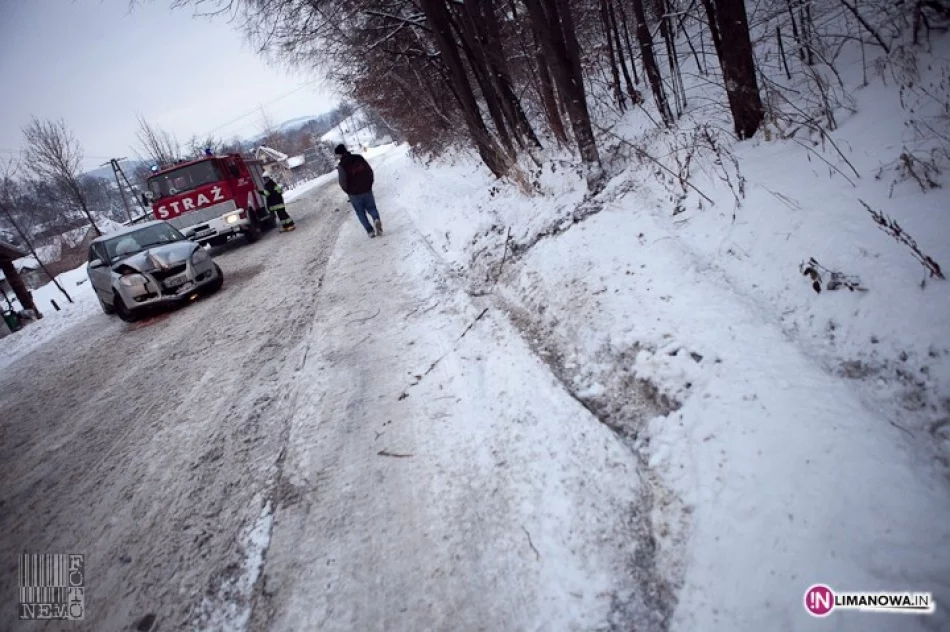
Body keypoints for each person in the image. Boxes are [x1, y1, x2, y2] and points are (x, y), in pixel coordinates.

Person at [335, 144, 382, 238]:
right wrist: (369, 183)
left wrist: (348, 191)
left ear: (340, 154)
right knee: (372, 208)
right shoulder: (358, 157)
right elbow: (369, 170)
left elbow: (342, 182)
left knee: (360, 213)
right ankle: (376, 219)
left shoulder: (341, 166)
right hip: (366, 189)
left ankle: (370, 231)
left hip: (354, 193)